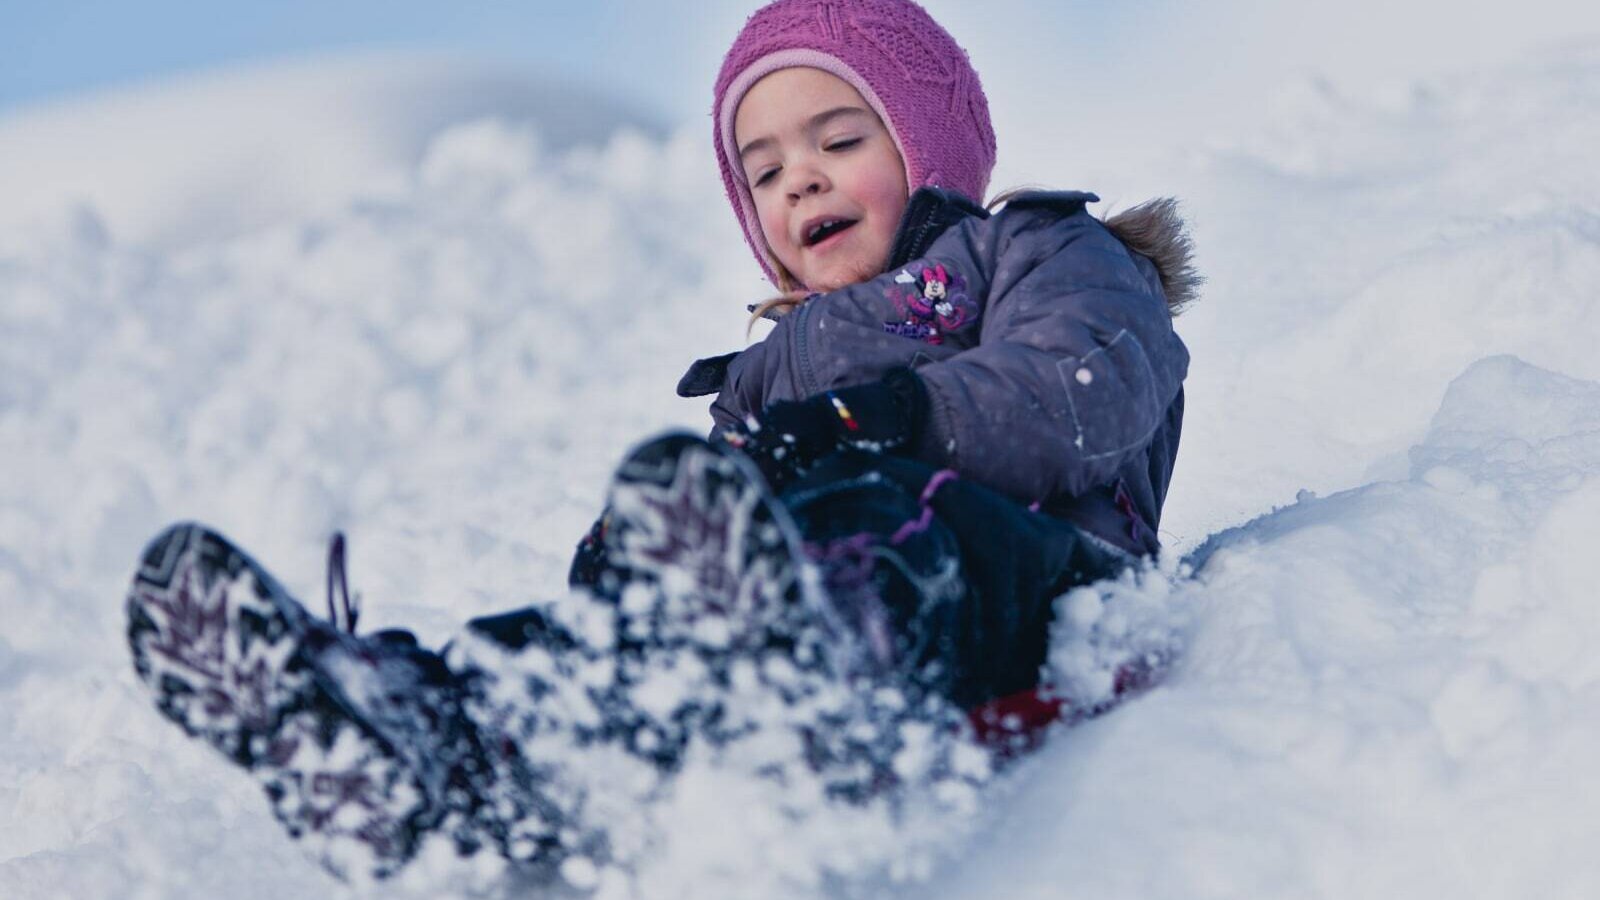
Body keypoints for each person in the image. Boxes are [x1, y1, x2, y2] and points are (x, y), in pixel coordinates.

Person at [124, 0, 1196, 884]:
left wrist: (885, 415)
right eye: (765, 170)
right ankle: (422, 739)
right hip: (800, 591)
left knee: (874, 514)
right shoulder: (764, 374)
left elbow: (1083, 387)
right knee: (603, 623)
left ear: (928, 147)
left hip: (1028, 575)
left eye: (838, 140)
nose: (801, 181)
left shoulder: (1038, 247)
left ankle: (804, 671)